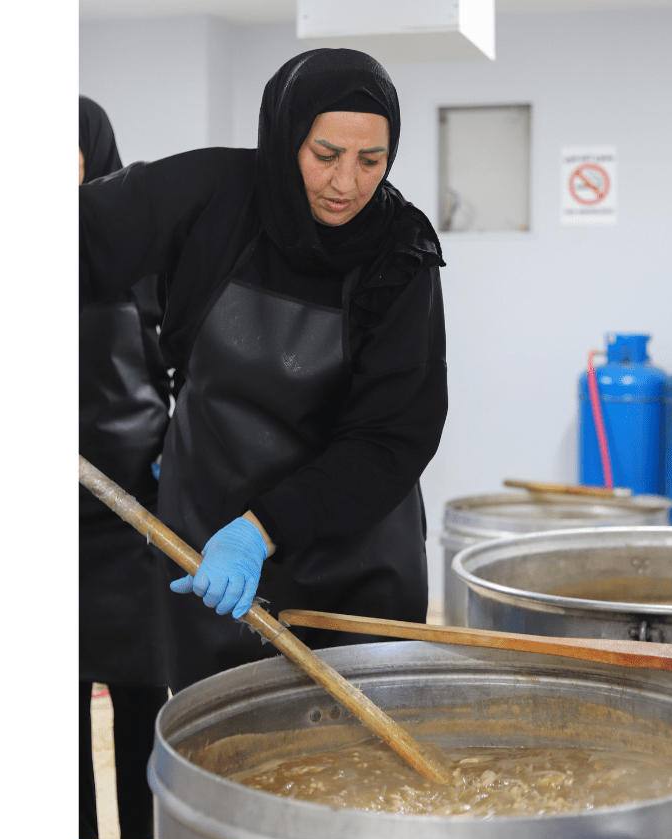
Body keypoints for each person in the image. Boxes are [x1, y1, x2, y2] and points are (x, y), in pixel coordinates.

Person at [78, 49, 447, 695]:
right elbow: (83, 237)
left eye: (372, 160)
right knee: (222, 755)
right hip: (210, 551)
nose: (347, 183)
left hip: (352, 552)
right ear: (285, 138)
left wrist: (260, 529)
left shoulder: (400, 253)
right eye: (325, 154)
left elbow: (391, 438)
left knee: (354, 772)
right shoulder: (213, 195)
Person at [77, 96, 171, 839]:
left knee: (143, 671)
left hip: (132, 502)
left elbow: (179, 364)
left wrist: (179, 457)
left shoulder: (136, 253)